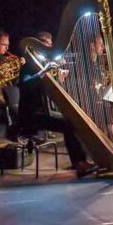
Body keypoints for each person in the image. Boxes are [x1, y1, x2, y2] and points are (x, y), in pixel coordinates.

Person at [16, 40, 100, 178]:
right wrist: (44, 71)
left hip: (44, 112)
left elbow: (48, 90)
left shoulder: (42, 64)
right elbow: (25, 85)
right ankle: (79, 163)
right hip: (31, 116)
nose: (50, 47)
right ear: (36, 47)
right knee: (69, 124)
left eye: (50, 44)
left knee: (72, 121)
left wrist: (59, 80)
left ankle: (81, 161)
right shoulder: (28, 66)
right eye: (47, 45)